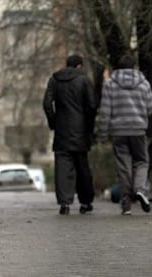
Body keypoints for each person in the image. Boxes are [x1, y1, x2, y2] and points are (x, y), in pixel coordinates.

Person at [97, 54, 152, 215]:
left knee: (123, 167)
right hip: (138, 129)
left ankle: (126, 204)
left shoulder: (110, 85)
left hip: (119, 131)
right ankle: (140, 189)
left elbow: (105, 111)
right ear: (134, 67)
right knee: (142, 162)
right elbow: (150, 107)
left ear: (118, 68)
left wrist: (102, 134)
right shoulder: (144, 84)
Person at [43, 54, 97, 215]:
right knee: (82, 167)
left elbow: (47, 104)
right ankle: (85, 202)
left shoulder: (54, 80)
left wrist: (53, 122)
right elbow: (92, 105)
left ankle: (64, 203)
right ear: (79, 66)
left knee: (62, 167)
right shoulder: (84, 80)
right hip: (80, 131)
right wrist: (88, 127)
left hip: (61, 131)